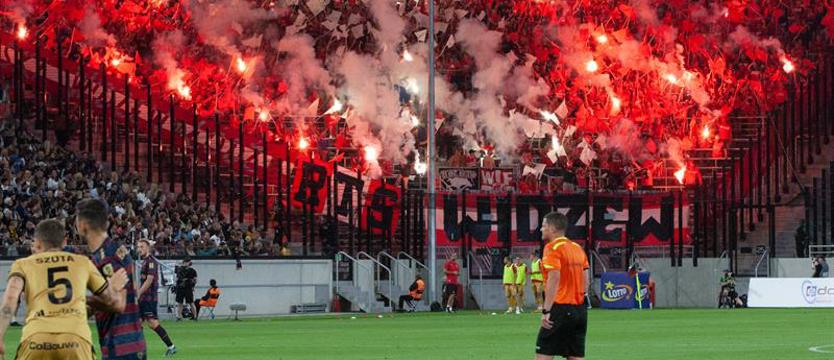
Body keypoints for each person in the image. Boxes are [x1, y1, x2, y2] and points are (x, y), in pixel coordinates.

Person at [0, 219, 128, 359]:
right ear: (65, 242)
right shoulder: (82, 262)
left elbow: (10, 299)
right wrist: (113, 287)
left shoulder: (22, 264)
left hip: (36, 337)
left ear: (37, 242)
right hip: (76, 338)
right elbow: (112, 301)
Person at [76, 198, 147, 359]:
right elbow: (107, 297)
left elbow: (118, 303)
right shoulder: (107, 252)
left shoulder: (108, 257)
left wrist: (82, 299)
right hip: (122, 344)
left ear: (82, 224)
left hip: (122, 346)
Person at [535, 212, 589, 360]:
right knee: (575, 355)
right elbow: (585, 277)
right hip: (579, 310)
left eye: (544, 226)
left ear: (552, 229)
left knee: (544, 353)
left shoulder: (552, 248)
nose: (541, 229)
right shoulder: (577, 247)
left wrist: (546, 310)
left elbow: (554, 277)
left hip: (559, 308)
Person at [136, 239, 177, 356]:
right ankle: (139, 350)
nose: (139, 249)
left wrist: (138, 293)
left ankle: (171, 347)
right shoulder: (145, 261)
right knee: (137, 323)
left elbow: (149, 280)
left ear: (148, 248)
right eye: (138, 247)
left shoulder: (151, 262)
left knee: (152, 323)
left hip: (149, 298)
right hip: (143, 298)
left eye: (142, 247)